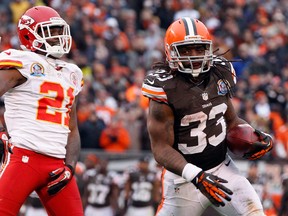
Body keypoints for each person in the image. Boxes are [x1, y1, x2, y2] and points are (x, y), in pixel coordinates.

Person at [141, 17, 273, 216]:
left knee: (254, 212)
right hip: (182, 180)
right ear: (171, 51)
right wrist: (196, 175)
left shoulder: (219, 73)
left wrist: (255, 136)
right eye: (185, 50)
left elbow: (231, 121)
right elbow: (160, 148)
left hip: (222, 169)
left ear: (209, 48)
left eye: (199, 48)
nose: (193, 56)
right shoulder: (164, 87)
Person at [0, 6, 84, 215]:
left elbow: (72, 129)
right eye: (51, 31)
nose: (58, 36)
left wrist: (70, 167)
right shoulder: (22, 61)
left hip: (57, 165)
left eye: (58, 31)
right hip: (23, 157)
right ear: (29, 35)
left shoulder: (71, 72)